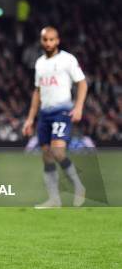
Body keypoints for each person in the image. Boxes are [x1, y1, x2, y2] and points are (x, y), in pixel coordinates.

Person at [22, 26, 88, 208]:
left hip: (62, 112)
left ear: (57, 40)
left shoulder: (67, 60)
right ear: (41, 41)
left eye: (52, 39)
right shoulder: (40, 63)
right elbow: (37, 91)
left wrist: (79, 107)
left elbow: (82, 83)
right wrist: (30, 118)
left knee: (58, 151)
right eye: (45, 40)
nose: (49, 43)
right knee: (47, 156)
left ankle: (78, 187)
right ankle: (54, 199)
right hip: (44, 113)